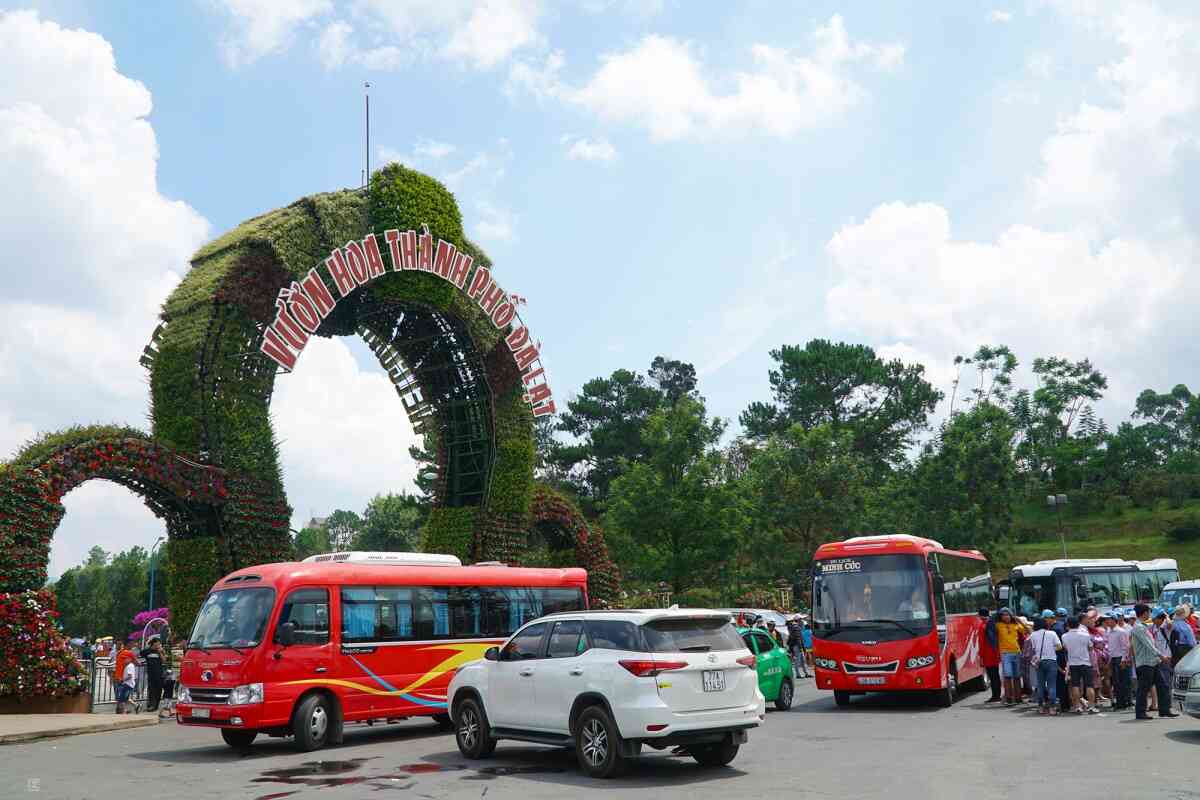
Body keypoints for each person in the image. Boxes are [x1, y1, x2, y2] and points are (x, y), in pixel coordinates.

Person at [1131, 603, 1178, 720]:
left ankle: (1164, 710)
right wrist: (1162, 656)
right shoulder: (1139, 628)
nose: (1150, 615)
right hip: (1145, 663)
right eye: (1149, 612)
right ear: (1145, 613)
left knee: (1163, 685)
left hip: (1153, 662)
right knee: (1144, 688)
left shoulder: (1143, 626)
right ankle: (1140, 712)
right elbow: (1149, 646)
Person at [1062, 616, 1100, 714]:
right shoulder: (1085, 635)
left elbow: (1065, 648)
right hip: (1086, 662)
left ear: (1068, 625)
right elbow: (1091, 648)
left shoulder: (1064, 636)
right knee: (1089, 685)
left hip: (1073, 663)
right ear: (1079, 624)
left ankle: (1077, 706)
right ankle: (1091, 706)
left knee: (1075, 685)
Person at [1029, 611, 1063, 715]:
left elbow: (1034, 648)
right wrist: (1051, 649)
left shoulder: (1033, 635)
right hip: (1051, 661)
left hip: (1039, 661)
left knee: (1040, 685)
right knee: (1052, 685)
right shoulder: (1052, 633)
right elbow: (1059, 646)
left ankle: (1040, 707)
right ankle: (1052, 708)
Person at [995, 608, 1026, 705]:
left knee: (1017, 676)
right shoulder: (998, 625)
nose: (1005, 616)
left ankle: (1018, 698)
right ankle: (1008, 698)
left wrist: (1020, 620)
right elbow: (991, 622)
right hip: (1005, 653)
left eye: (1007, 614)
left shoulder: (1016, 625)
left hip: (1016, 652)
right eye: (1003, 615)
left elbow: (1027, 630)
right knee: (1008, 676)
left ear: (1011, 616)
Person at [1108, 612, 1132, 710]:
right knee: (1116, 682)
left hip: (1120, 658)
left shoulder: (1121, 632)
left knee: (1123, 681)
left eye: (1108, 619)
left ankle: (1125, 702)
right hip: (1113, 658)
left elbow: (1125, 647)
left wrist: (1123, 659)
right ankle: (1120, 702)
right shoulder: (1110, 632)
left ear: (1114, 620)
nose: (1107, 621)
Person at [979, 608, 1002, 703]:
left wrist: (980, 656)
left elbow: (981, 642)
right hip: (994, 652)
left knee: (992, 676)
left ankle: (995, 696)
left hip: (987, 654)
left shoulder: (983, 626)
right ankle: (997, 695)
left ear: (980, 615)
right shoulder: (993, 624)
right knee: (995, 675)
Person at [141, 636, 166, 712]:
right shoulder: (147, 651)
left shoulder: (159, 652)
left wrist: (160, 652)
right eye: (157, 644)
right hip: (151, 674)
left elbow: (164, 660)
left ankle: (156, 705)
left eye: (159, 644)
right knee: (151, 690)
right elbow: (141, 653)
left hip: (159, 674)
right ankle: (151, 705)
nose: (158, 646)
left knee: (158, 690)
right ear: (153, 644)